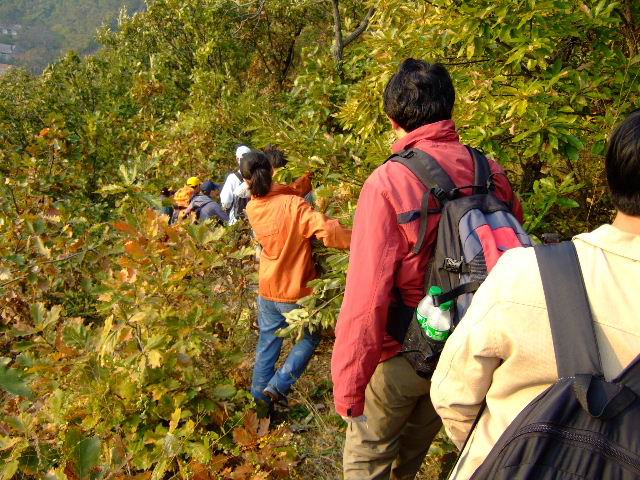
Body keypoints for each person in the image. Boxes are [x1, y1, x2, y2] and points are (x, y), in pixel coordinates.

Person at [330, 58, 523, 480]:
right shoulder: (489, 171)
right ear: (449, 108)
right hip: (466, 351)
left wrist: (349, 386)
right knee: (410, 457)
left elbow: (366, 298)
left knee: (368, 459)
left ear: (392, 118)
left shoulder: (388, 183)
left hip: (402, 353)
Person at [430, 111, 640, 478]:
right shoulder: (487, 170)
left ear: (613, 175)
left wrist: (495, 452)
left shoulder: (525, 272)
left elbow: (452, 395)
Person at [240, 150, 351, 409]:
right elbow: (328, 230)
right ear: (272, 170)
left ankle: (259, 404)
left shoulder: (253, 206)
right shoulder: (293, 205)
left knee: (267, 343)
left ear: (246, 180)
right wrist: (362, 237)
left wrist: (308, 177)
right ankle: (278, 387)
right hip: (295, 290)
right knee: (311, 337)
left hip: (268, 288)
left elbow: (287, 192)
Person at [221, 145, 252, 225]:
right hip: (254, 219)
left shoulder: (232, 178)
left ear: (237, 159)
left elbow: (225, 201)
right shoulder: (257, 175)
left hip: (237, 221)